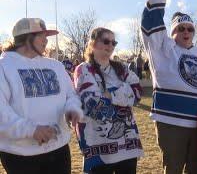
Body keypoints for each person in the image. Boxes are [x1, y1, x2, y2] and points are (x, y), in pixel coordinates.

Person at [141, 0, 197, 173]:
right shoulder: (162, 48)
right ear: (172, 32)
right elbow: (150, 22)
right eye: (181, 28)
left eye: (190, 29)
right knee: (173, 168)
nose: (186, 32)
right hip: (172, 122)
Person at [0, 18, 83, 174]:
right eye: (41, 35)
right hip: (21, 155)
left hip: (59, 149)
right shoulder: (4, 66)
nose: (46, 40)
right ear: (26, 37)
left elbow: (71, 95)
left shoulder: (55, 65)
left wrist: (72, 109)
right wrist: (32, 130)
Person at [73, 27, 143, 174]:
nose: (110, 46)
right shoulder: (84, 69)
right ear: (93, 43)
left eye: (113, 42)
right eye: (106, 41)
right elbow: (94, 106)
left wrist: (110, 95)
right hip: (99, 146)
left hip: (127, 145)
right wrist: (124, 93)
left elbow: (137, 92)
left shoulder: (121, 68)